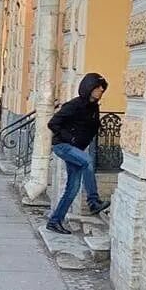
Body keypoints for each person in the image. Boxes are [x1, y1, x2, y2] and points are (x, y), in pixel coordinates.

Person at [45, 72, 111, 235]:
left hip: (76, 148)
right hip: (63, 146)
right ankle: (93, 201)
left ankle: (54, 221)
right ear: (89, 88)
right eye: (98, 87)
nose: (101, 90)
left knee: (72, 189)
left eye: (102, 88)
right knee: (87, 161)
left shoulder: (93, 107)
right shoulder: (74, 105)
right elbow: (53, 123)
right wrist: (71, 138)